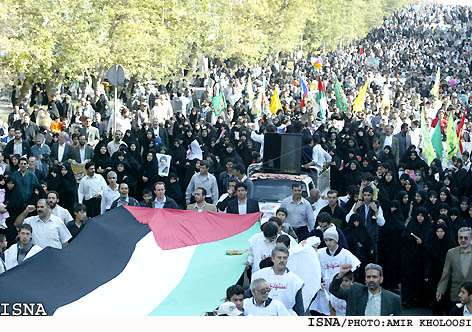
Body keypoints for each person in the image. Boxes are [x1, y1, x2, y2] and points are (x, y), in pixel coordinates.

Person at [311, 227, 360, 315]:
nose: (328, 243)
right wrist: (319, 281)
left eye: (330, 240)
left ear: (336, 240)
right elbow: (314, 270)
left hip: (340, 289)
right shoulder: (320, 253)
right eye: (326, 240)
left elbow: (355, 269)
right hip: (324, 289)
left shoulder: (346, 254)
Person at [329, 263, 402, 316]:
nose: (371, 280)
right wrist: (341, 274)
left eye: (374, 277)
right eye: (368, 277)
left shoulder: (393, 299)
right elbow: (334, 290)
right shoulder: (355, 291)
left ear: (381, 279)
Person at [251, 246, 305, 315]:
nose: (282, 260)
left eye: (285, 258)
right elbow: (250, 296)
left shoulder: (295, 281)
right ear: (273, 259)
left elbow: (299, 307)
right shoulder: (259, 275)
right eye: (279, 257)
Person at [345, 186, 385, 260]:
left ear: (372, 196)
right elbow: (348, 219)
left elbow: (381, 223)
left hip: (372, 237)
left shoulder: (376, 205)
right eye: (365, 195)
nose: (366, 197)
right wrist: (355, 209)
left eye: (369, 195)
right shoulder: (358, 205)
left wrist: (376, 211)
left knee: (372, 259)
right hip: (359, 238)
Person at [436, 227, 472, 306]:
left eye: (466, 238)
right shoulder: (451, 253)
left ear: (471, 239)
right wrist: (440, 289)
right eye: (460, 237)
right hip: (456, 294)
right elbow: (446, 273)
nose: (463, 240)